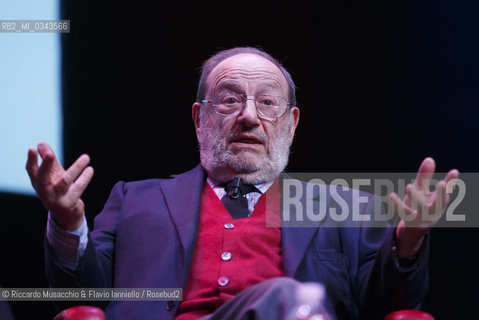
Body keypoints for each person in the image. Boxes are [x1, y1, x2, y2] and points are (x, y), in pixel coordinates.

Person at [26, 47, 459, 320]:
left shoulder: (344, 205)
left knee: (289, 299)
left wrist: (409, 240)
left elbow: (390, 303)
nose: (249, 116)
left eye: (267, 102)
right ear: (200, 120)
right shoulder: (135, 199)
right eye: (230, 99)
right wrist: (66, 223)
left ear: (291, 124)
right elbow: (81, 295)